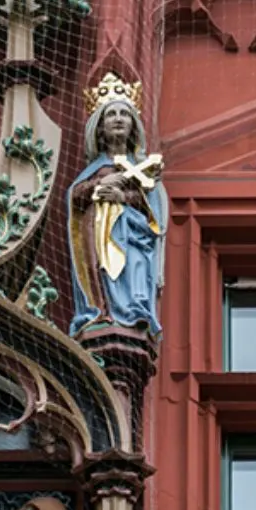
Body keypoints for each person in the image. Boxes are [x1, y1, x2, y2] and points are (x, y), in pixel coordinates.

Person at [67, 73, 167, 338]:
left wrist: (123, 198)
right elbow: (74, 197)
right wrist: (99, 185)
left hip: (134, 235)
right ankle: (104, 309)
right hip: (100, 235)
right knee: (106, 269)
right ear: (100, 127)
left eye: (124, 114)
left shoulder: (141, 169)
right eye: (111, 114)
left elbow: (152, 210)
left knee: (133, 267)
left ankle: (133, 312)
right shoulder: (95, 169)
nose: (118, 119)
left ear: (133, 125)